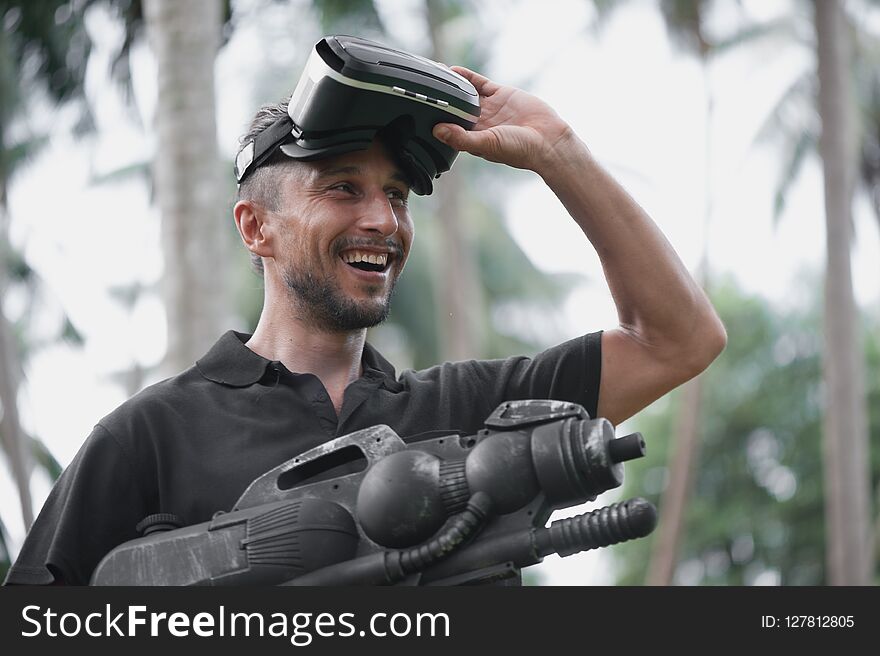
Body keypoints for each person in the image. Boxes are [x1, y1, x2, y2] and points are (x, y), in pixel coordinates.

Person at [4, 64, 726, 586]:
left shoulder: (467, 414)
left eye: (398, 195)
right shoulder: (150, 436)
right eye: (343, 188)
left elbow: (679, 339)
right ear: (257, 228)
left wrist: (559, 150)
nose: (382, 219)